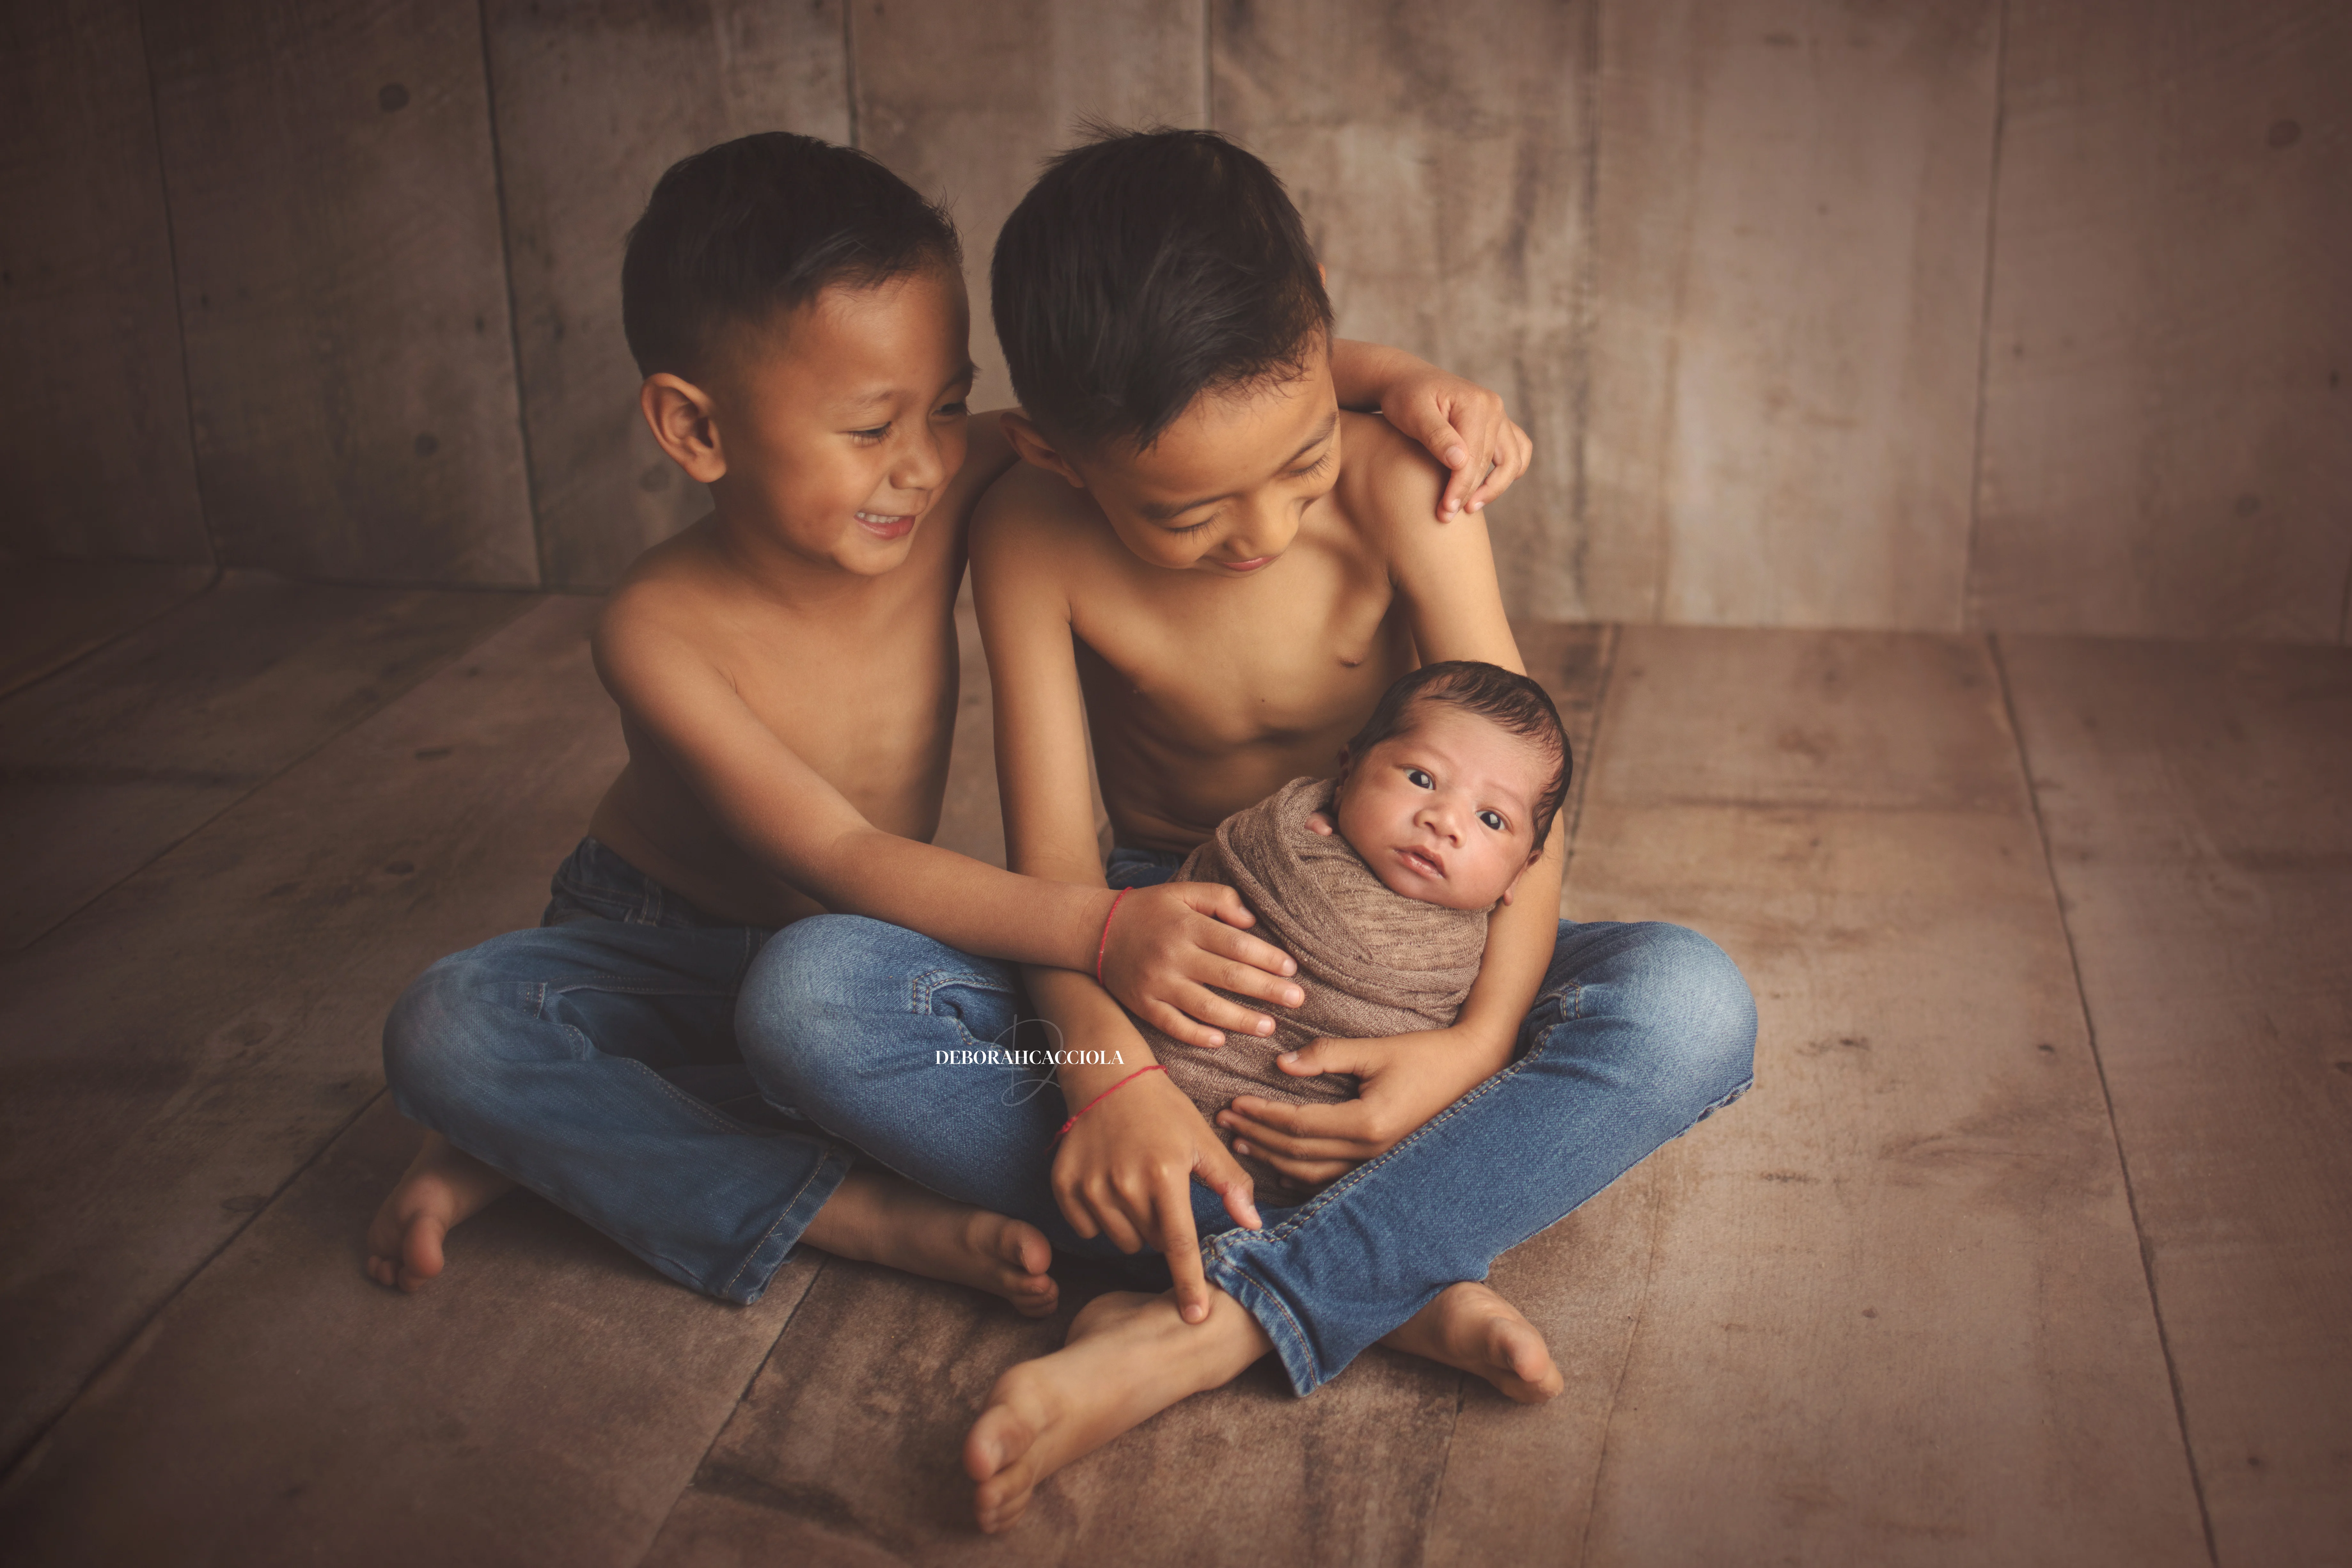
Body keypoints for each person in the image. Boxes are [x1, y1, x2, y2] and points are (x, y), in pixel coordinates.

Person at [736, 128, 1756, 1533]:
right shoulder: (1029, 531)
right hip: (1170, 964)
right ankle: (1382, 1270)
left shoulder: (1402, 484)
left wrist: (1468, 1045)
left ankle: (1224, 1313)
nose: (1264, 523)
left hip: (1429, 967)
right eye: (1189, 508)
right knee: (811, 993)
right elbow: (1058, 872)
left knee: (1691, 1003)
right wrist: (1107, 1079)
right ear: (1059, 454)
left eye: (1300, 459)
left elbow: (1524, 805)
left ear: (1327, 345)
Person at [362, 131, 1534, 1315]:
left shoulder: (967, 471)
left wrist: (1393, 381)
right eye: (873, 429)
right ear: (697, 431)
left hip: (885, 942)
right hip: (669, 939)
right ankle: (834, 1205)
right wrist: (1100, 933)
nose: (920, 463)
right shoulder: (655, 630)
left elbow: (1196, 396)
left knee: (821, 1006)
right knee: (458, 1026)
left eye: (951, 406)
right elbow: (838, 855)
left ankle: (557, 1137)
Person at [1142, 659, 1574, 1198]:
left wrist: (1481, 1045)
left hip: (1367, 1141)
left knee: (1678, 999)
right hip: (1146, 1089)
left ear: (1522, 871)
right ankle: (1356, 1265)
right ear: (1344, 776)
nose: (1445, 820)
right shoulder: (1287, 841)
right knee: (1025, 1039)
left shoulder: (1477, 954)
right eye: (1422, 779)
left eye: (1492, 819)